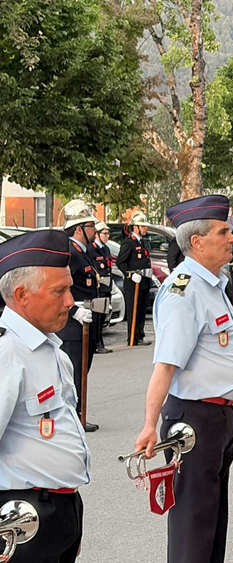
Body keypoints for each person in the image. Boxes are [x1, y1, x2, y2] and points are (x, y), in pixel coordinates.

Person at [133, 194, 233, 563]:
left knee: (213, 519)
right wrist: (150, 424)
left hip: (218, 417)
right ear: (197, 241)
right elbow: (165, 366)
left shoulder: (211, 283)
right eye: (223, 232)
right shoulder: (183, 290)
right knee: (193, 523)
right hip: (194, 419)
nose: (232, 238)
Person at [0, 229, 90, 563]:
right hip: (22, 518)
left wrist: (69, 522)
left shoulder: (49, 347)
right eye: (60, 291)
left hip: (58, 511)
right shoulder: (7, 353)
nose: (70, 300)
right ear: (22, 295)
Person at [58, 200, 103, 433]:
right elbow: (58, 287)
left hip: (87, 319)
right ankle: (71, 416)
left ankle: (77, 414)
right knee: (73, 372)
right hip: (73, 323)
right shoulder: (69, 252)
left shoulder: (83, 252)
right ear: (78, 228)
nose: (94, 231)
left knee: (81, 371)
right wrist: (74, 311)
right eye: (91, 226)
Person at [117, 211, 153, 347]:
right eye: (143, 226)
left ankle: (140, 334)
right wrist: (130, 274)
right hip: (133, 283)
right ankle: (132, 337)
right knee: (134, 310)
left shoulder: (143, 242)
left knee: (142, 309)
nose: (145, 229)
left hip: (143, 281)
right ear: (136, 227)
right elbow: (121, 262)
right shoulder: (129, 243)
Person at [91, 221, 114, 354]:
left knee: (102, 318)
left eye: (108, 233)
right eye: (104, 233)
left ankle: (100, 343)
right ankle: (96, 344)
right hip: (99, 288)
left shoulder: (105, 249)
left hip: (106, 287)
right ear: (97, 234)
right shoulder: (91, 249)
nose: (107, 236)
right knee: (97, 318)